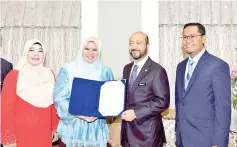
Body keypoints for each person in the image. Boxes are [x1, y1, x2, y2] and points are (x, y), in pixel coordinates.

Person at [175, 23, 231, 147]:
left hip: (206, 139)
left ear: (204, 38)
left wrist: (219, 143)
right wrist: (177, 134)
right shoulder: (181, 67)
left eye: (192, 36)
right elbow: (180, 103)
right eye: (184, 37)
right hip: (182, 140)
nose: (187, 40)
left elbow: (223, 109)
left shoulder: (218, 66)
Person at [53, 37, 114, 147]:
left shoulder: (106, 71)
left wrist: (100, 113)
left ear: (99, 52)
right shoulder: (68, 69)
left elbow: (110, 99)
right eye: (87, 49)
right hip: (73, 127)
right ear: (82, 49)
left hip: (96, 129)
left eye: (94, 50)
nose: (90, 53)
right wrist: (79, 113)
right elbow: (59, 97)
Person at [1, 39, 59, 147]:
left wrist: (54, 127)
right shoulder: (14, 75)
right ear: (25, 53)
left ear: (44, 55)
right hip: (20, 133)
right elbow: (6, 109)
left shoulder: (50, 74)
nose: (36, 54)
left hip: (44, 131)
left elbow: (53, 104)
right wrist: (9, 138)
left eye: (40, 51)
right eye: (31, 50)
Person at [120, 31, 170, 147]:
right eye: (131, 43)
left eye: (139, 43)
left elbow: (162, 102)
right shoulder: (126, 69)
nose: (134, 47)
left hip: (147, 136)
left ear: (147, 46)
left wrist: (136, 113)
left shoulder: (157, 70)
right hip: (126, 134)